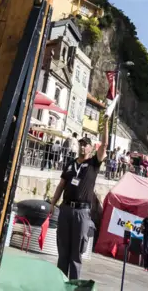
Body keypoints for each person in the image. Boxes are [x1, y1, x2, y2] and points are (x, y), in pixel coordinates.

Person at [50, 119, 108, 280]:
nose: (82, 147)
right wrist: (53, 203)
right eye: (81, 144)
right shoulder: (70, 164)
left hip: (82, 212)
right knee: (63, 250)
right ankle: (60, 283)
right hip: (66, 209)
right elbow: (61, 185)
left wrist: (106, 123)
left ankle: (73, 284)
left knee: (76, 253)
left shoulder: (94, 163)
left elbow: (104, 145)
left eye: (86, 145)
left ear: (91, 148)